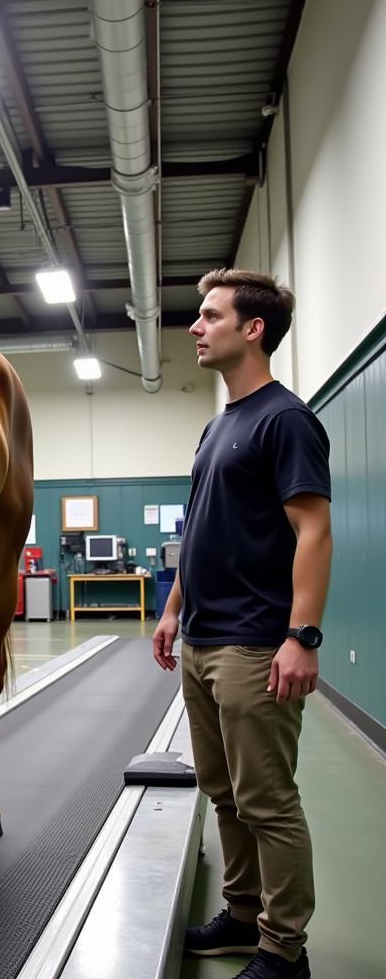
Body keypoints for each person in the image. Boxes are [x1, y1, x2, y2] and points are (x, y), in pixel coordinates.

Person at [152, 269, 332, 979]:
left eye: (209, 316)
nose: (195, 328)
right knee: (224, 792)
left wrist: (302, 636)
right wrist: (171, 610)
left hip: (256, 642)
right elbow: (200, 527)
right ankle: (243, 910)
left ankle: (284, 949)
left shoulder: (286, 420)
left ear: (252, 329)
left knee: (267, 800)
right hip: (201, 637)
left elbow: (313, 530)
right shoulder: (219, 423)